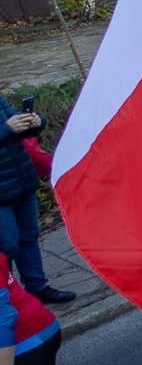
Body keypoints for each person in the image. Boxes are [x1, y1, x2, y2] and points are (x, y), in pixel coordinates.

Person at [0, 96, 68, 304]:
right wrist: (6, 129)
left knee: (29, 237)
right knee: (7, 246)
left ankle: (38, 287)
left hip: (21, 181)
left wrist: (35, 121)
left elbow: (17, 122)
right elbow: (9, 129)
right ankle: (8, 297)